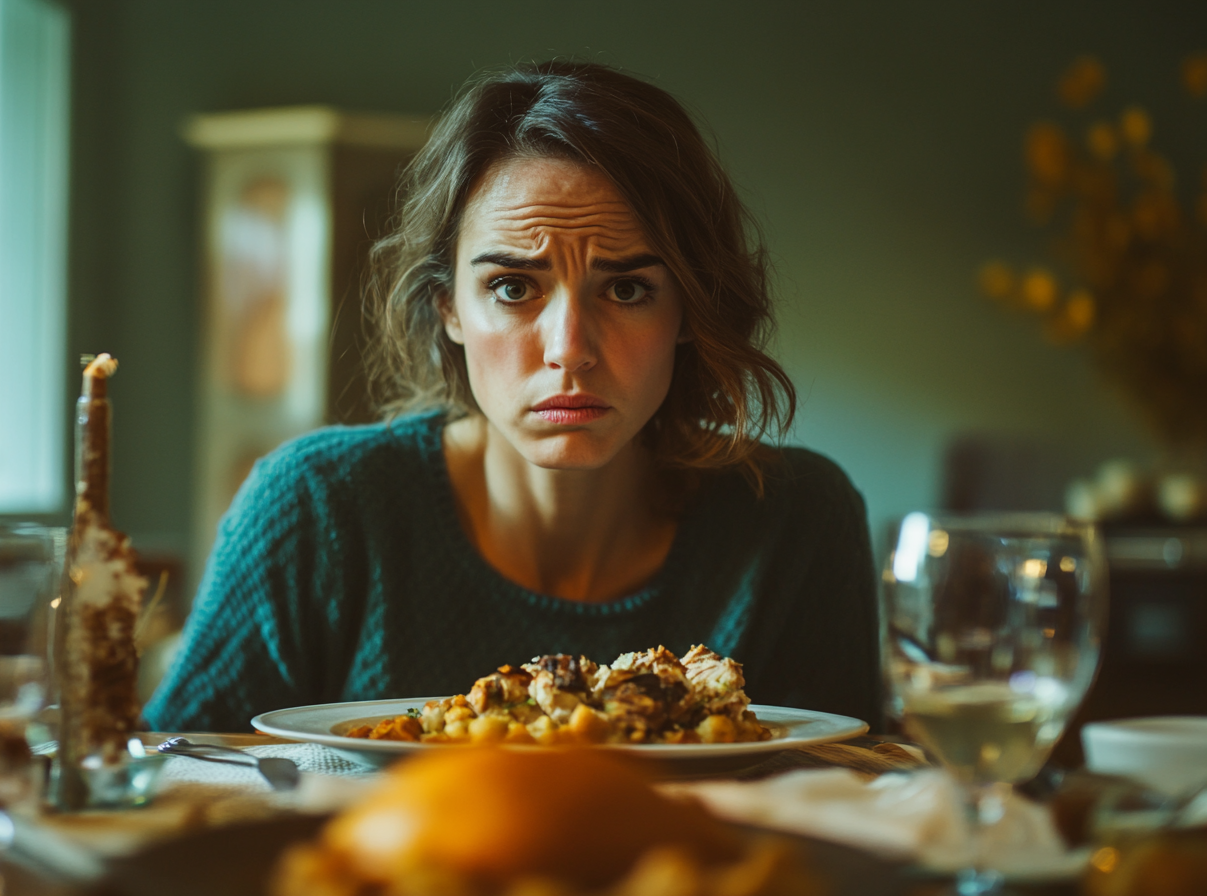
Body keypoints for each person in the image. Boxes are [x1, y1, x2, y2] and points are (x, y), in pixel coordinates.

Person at [143, 60, 881, 733]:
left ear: (687, 309)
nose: (569, 348)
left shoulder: (796, 523)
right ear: (450, 309)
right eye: (512, 287)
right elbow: (175, 787)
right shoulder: (315, 510)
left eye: (627, 289)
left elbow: (858, 815)